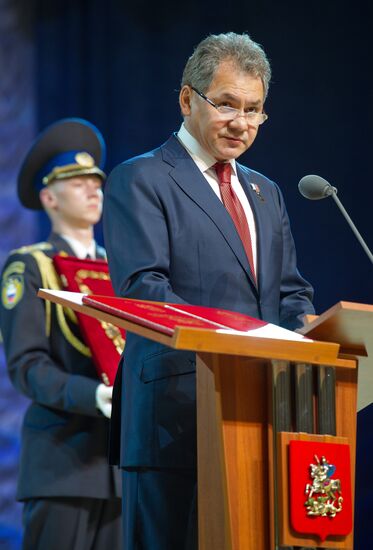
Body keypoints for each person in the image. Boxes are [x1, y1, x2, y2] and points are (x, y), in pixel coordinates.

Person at [103, 32, 315, 549]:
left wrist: (309, 328)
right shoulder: (142, 178)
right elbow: (143, 289)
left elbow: (289, 291)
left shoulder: (266, 193)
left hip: (261, 415)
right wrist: (239, 342)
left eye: (254, 110)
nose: (241, 123)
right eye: (225, 104)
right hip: (174, 421)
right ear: (186, 99)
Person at [0, 118, 122, 550]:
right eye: (78, 182)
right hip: (64, 463)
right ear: (49, 197)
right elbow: (27, 366)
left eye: (97, 181)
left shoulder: (120, 271)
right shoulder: (31, 266)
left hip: (122, 469)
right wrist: (95, 395)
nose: (94, 190)